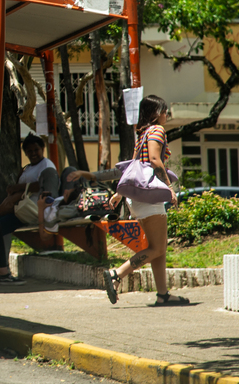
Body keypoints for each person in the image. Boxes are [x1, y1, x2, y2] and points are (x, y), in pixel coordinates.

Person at [69, 94, 190, 306]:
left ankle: (163, 295)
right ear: (155, 113)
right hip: (150, 196)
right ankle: (117, 274)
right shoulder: (157, 131)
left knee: (157, 247)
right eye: (164, 111)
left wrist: (119, 194)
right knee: (157, 248)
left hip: (138, 198)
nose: (166, 115)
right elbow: (153, 160)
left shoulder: (142, 134)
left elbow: (134, 168)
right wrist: (169, 187)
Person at [0, 135, 64, 285]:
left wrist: (17, 188)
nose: (33, 153)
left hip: (32, 211)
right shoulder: (28, 168)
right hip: (21, 210)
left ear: (42, 149)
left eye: (36, 150)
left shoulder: (46, 165)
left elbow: (42, 185)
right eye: (29, 151)